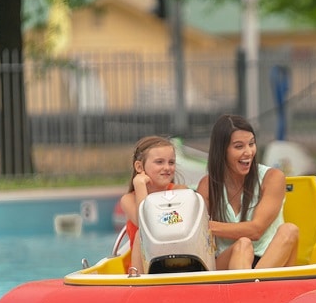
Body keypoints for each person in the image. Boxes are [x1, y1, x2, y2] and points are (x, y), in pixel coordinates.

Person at [196, 115, 299, 270]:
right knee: (243, 245)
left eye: (251, 144)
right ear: (222, 150)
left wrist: (208, 226)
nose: (249, 152)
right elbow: (196, 233)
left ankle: (251, 285)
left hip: (269, 261)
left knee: (290, 230)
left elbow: (256, 230)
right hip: (228, 262)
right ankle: (252, 287)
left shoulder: (273, 177)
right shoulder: (208, 185)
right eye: (239, 146)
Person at [119, 135, 186, 273]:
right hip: (143, 267)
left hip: (176, 262)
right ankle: (140, 284)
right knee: (141, 234)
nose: (167, 167)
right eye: (159, 162)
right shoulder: (128, 199)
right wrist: (140, 185)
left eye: (171, 162)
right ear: (139, 166)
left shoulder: (180, 192)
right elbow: (143, 223)